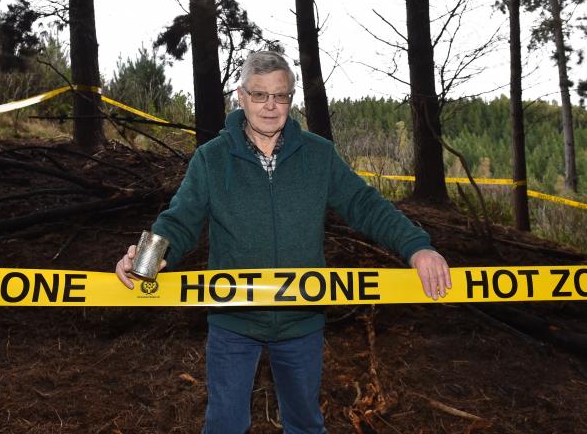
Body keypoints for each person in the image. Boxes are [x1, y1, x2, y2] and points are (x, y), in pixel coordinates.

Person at [115, 50, 451, 434]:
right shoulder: (211, 159)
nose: (271, 106)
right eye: (260, 95)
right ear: (241, 97)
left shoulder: (318, 155)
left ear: (292, 98)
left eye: (282, 95)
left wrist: (417, 246)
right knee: (224, 425)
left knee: (305, 424)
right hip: (233, 319)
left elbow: (365, 205)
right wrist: (146, 256)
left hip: (301, 320)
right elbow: (180, 219)